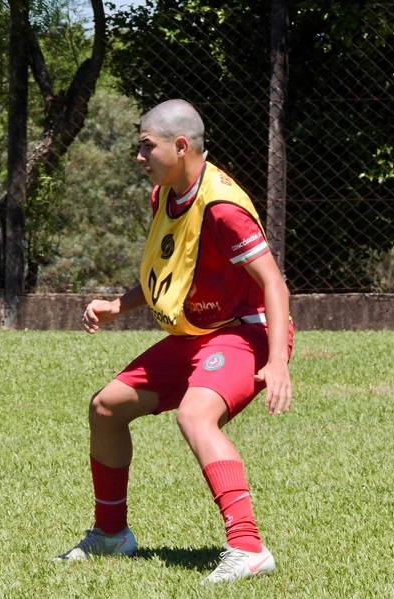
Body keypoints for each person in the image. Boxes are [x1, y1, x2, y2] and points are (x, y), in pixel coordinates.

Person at [55, 99, 294, 584]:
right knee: (106, 407)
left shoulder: (222, 208)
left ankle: (248, 548)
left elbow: (274, 282)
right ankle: (111, 534)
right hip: (197, 334)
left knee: (195, 415)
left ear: (180, 146)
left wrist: (277, 363)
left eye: (147, 146)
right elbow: (169, 272)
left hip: (246, 331)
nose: (139, 157)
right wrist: (118, 305)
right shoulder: (165, 194)